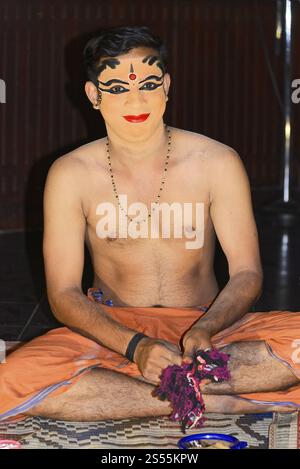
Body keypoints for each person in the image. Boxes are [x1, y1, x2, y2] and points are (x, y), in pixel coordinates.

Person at [1, 26, 300, 423]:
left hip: (208, 329)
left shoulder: (216, 162)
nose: (136, 100)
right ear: (94, 95)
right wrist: (136, 347)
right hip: (110, 331)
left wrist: (206, 328)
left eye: (148, 83)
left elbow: (247, 273)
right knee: (12, 378)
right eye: (118, 88)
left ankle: (149, 389)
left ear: (167, 86)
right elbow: (63, 294)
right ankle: (214, 398)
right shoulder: (70, 174)